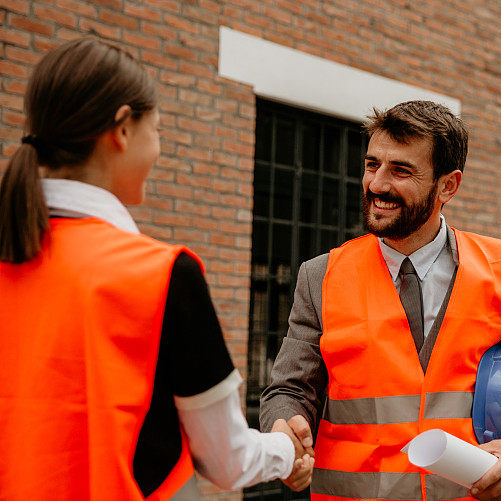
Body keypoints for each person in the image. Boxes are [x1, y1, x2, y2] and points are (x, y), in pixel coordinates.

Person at [0, 37, 313, 500]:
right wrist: (286, 451)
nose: (158, 148)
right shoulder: (163, 274)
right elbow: (225, 460)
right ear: (122, 129)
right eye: (158, 130)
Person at [260, 100, 501, 501]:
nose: (376, 184)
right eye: (372, 165)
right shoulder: (320, 276)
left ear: (449, 185)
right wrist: (283, 429)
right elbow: (287, 390)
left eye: (401, 171)